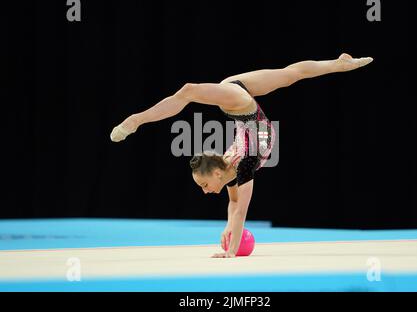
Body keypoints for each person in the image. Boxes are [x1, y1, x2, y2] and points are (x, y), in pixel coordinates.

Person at [110, 53, 373, 258]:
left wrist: (231, 251)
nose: (204, 191)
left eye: (203, 184)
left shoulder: (243, 165)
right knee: (291, 74)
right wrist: (228, 229)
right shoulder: (234, 169)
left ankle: (136, 120)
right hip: (242, 105)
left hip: (241, 105)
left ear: (215, 173)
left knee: (189, 90)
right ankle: (339, 64)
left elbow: (241, 212)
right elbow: (234, 204)